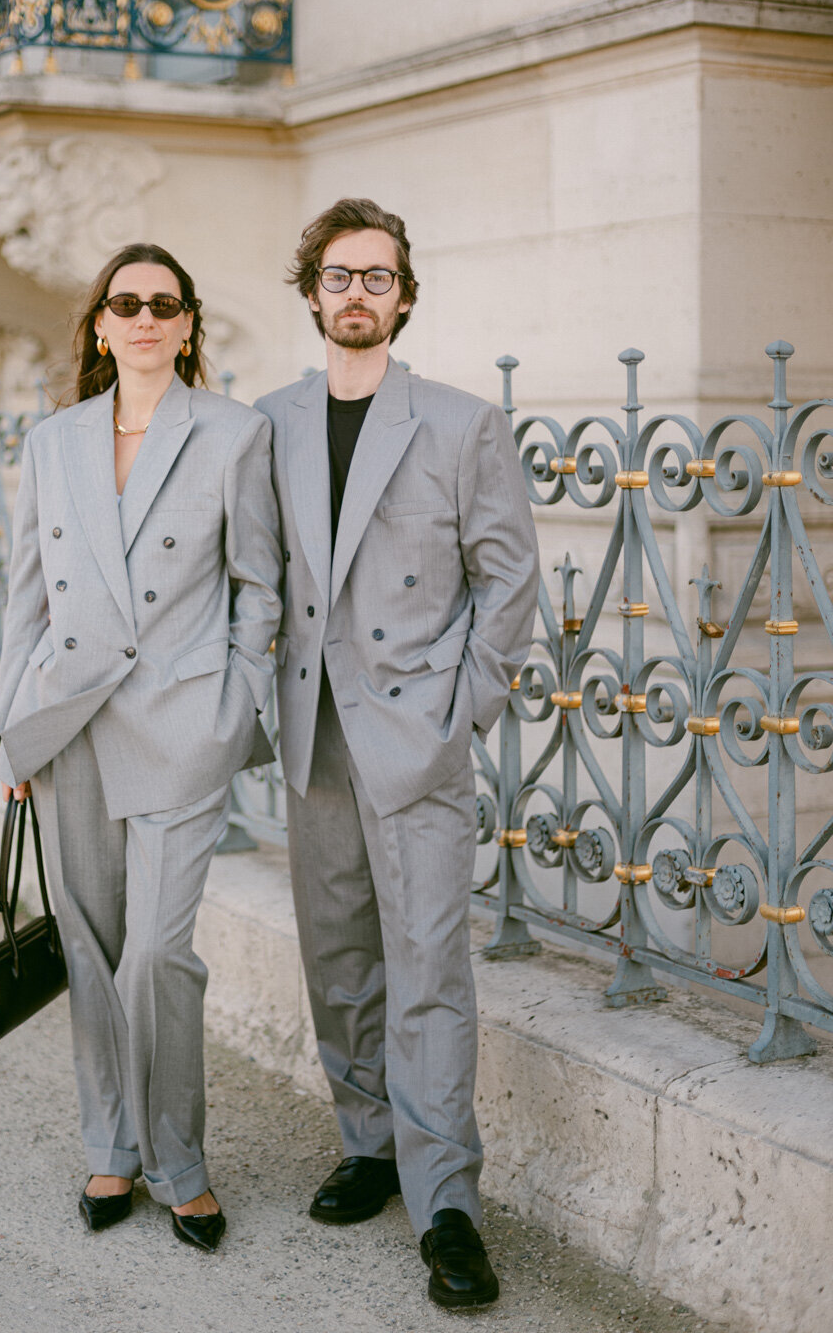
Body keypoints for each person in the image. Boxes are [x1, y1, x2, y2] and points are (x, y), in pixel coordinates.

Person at [255, 198, 538, 1308]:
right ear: (313, 293)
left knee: (428, 968)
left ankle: (448, 1203)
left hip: (414, 732)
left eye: (378, 277)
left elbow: (510, 585)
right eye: (339, 276)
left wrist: (459, 712)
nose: (358, 293)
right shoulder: (268, 421)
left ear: (405, 296)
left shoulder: (460, 424)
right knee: (339, 957)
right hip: (313, 728)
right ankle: (368, 1143)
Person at [0, 243, 282, 1253]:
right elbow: (27, 596)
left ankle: (181, 1161)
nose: (146, 317)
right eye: (127, 302)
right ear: (101, 325)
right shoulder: (51, 441)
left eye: (165, 303)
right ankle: (112, 1144)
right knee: (92, 946)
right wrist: (11, 728)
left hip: (182, 721)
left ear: (189, 325)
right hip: (69, 720)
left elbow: (260, 583)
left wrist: (234, 704)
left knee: (158, 953)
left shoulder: (235, 435)